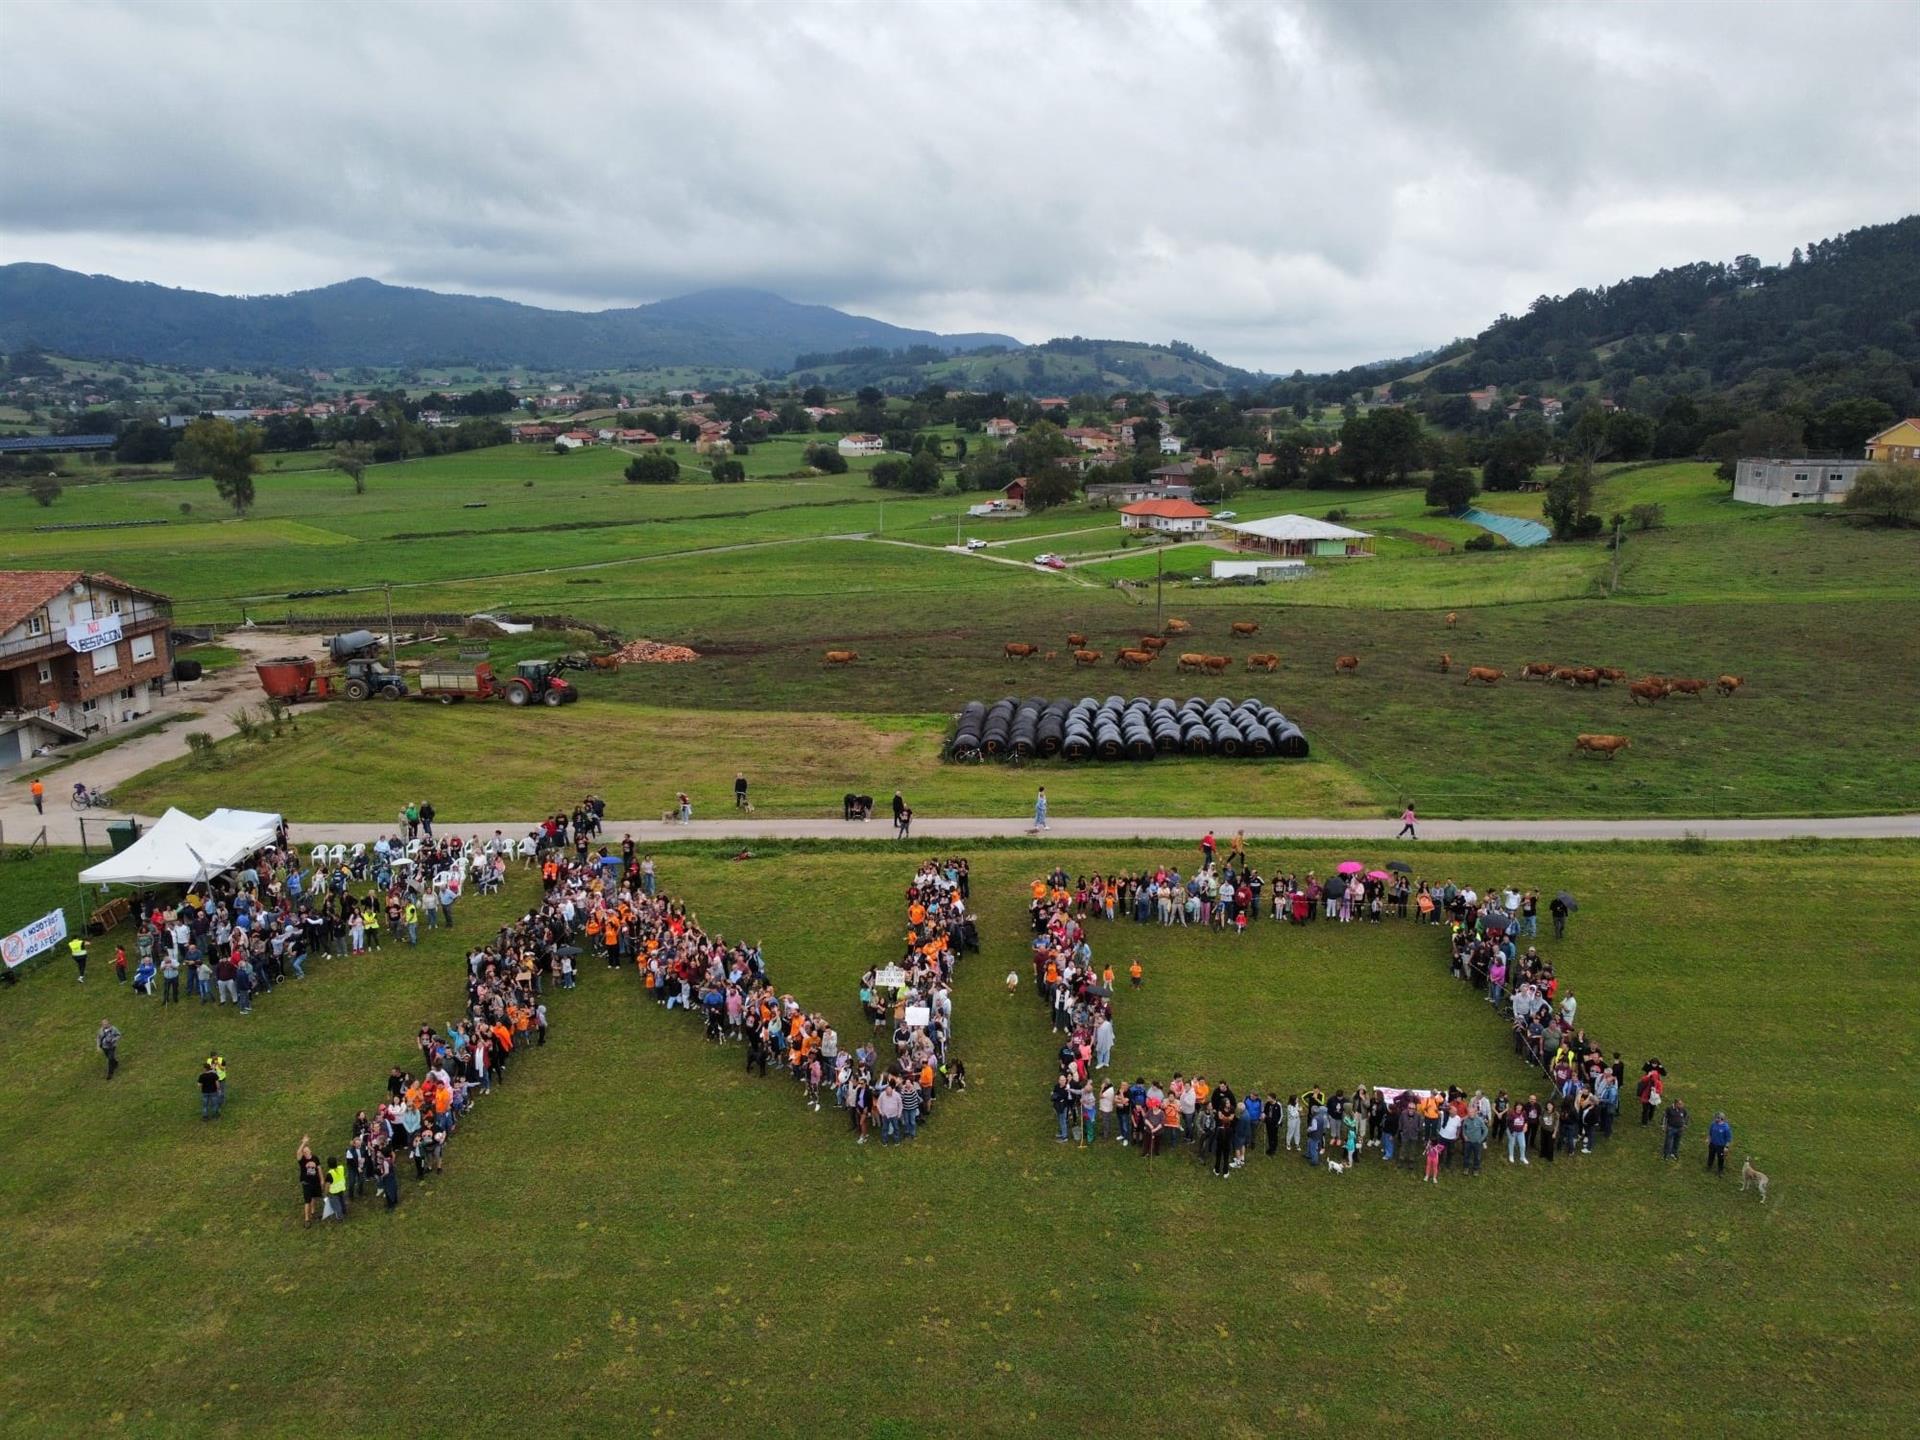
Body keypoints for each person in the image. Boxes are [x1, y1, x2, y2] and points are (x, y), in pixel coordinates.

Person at [297, 1137, 322, 1227]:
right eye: (304, 1152)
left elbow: (319, 1168)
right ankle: (307, 1219)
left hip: (315, 1182)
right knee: (307, 1201)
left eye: (307, 1151)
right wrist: (304, 1143)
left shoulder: (315, 1158)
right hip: (306, 1183)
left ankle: (313, 1212)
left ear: (310, 1151)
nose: (306, 1152)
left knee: (314, 1198)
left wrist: (321, 1179)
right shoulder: (302, 1160)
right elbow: (298, 1153)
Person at [1663, 1095, 1689, 1161]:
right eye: (1680, 1104)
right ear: (1676, 1104)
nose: (1681, 1105)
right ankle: (1666, 1154)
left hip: (1680, 1129)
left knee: (1677, 1142)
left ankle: (1674, 1153)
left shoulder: (1683, 1109)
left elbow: (1686, 1116)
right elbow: (1664, 1117)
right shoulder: (1669, 1109)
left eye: (1682, 1104)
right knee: (1668, 1142)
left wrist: (1685, 1124)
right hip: (1671, 1128)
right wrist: (1664, 1126)